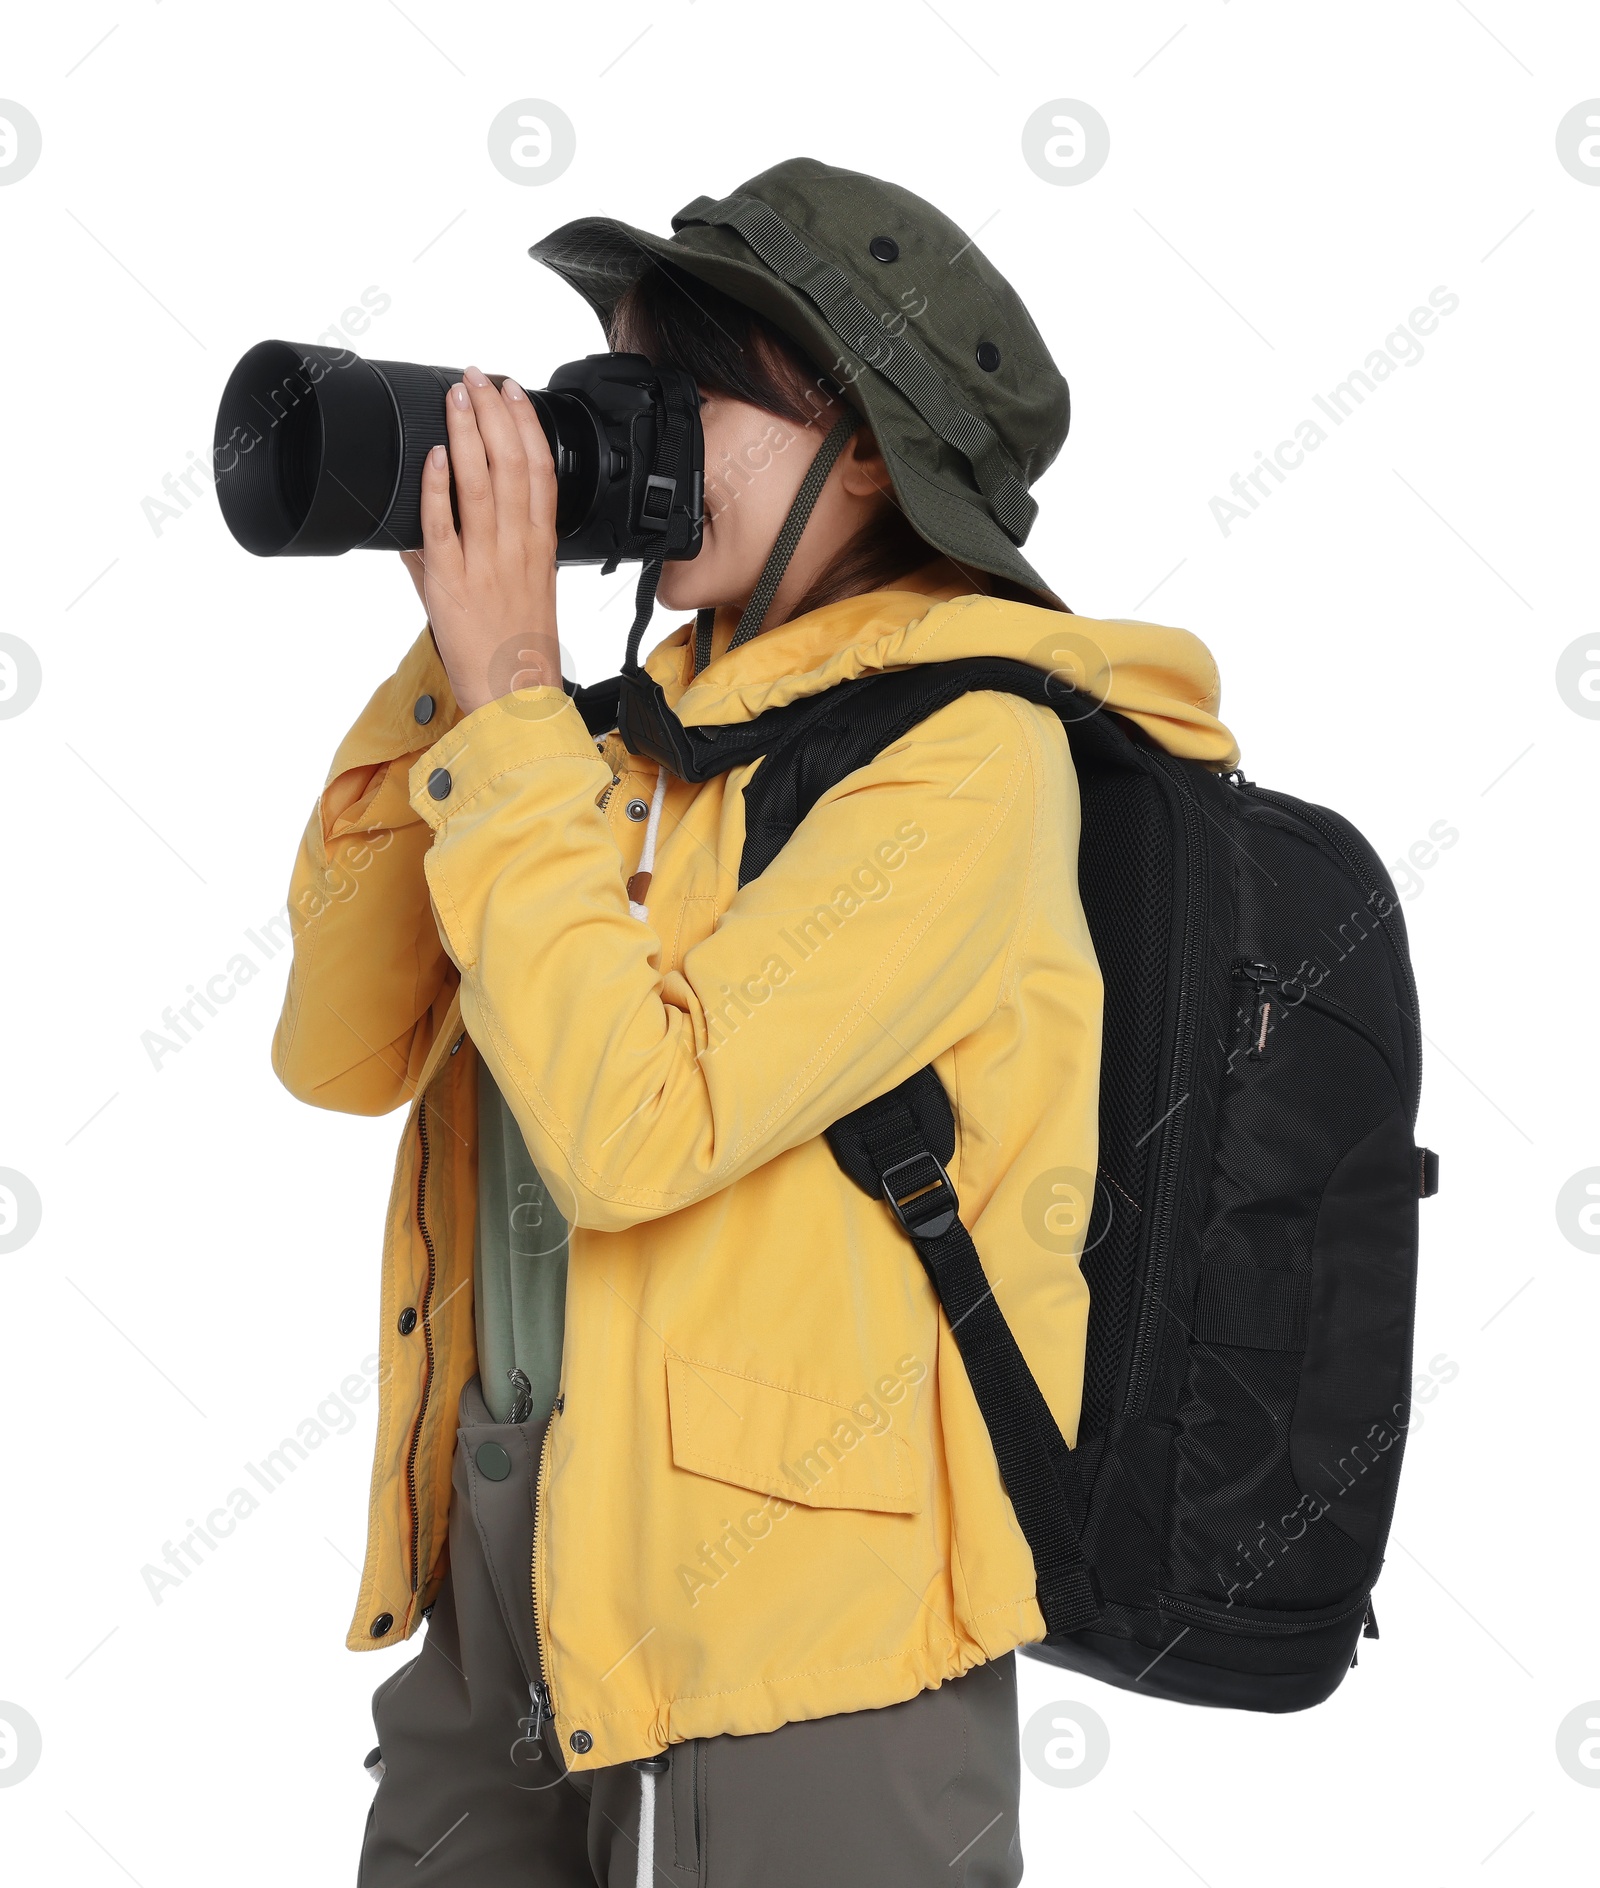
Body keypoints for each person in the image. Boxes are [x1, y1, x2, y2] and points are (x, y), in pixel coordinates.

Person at [271, 157, 1236, 1886]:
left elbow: (640, 1129)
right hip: (524, 1503)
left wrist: (508, 697)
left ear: (871, 453)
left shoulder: (967, 756)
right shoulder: (633, 732)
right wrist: (466, 655)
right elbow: (339, 1049)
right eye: (617, 375)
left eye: (689, 386)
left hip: (814, 1587)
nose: (625, 422)